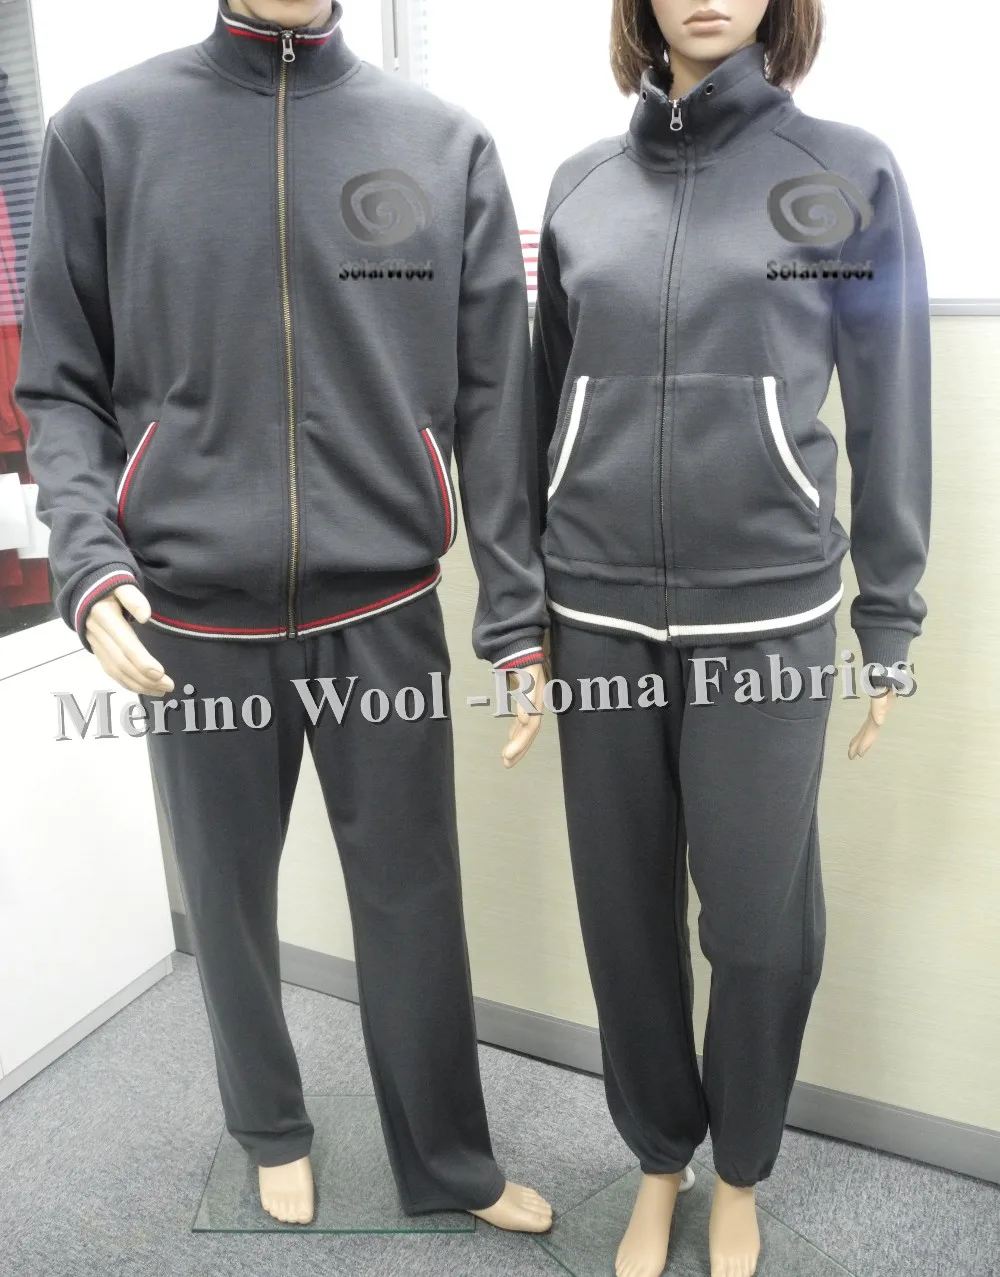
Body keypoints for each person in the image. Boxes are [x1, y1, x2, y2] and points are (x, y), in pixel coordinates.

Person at [16, 0, 552, 1233]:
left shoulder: (440, 142)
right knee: (228, 893)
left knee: (413, 897)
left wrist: (515, 611)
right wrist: (89, 560)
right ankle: (267, 1123)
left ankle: (447, 1156)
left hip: (385, 604)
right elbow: (61, 384)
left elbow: (494, 399)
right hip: (191, 614)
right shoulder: (106, 131)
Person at [531, 1, 930, 1273]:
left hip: (768, 610)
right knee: (622, 912)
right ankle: (658, 1159)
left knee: (757, 924)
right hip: (595, 609)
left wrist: (888, 613)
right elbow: (543, 406)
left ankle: (741, 1165)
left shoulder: (844, 173)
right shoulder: (580, 186)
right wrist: (523, 609)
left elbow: (891, 404)